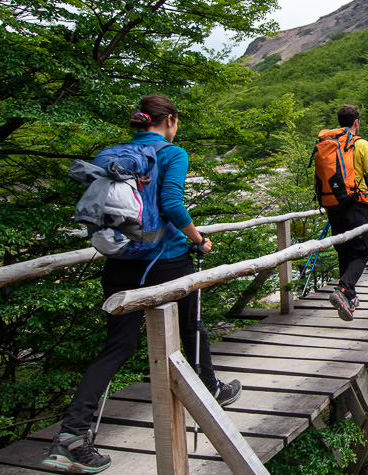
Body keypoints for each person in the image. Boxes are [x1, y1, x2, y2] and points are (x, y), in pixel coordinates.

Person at [44, 95, 241, 474]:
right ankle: (211, 388)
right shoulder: (171, 153)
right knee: (191, 325)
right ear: (170, 120)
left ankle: (71, 435)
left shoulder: (114, 155)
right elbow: (171, 203)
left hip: (120, 261)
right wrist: (198, 239)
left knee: (117, 346)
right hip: (166, 260)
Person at [324, 105, 368, 321]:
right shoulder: (361, 144)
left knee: (344, 251)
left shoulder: (328, 145)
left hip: (333, 206)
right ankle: (343, 290)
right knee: (361, 252)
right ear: (356, 122)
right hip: (356, 205)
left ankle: (349, 299)